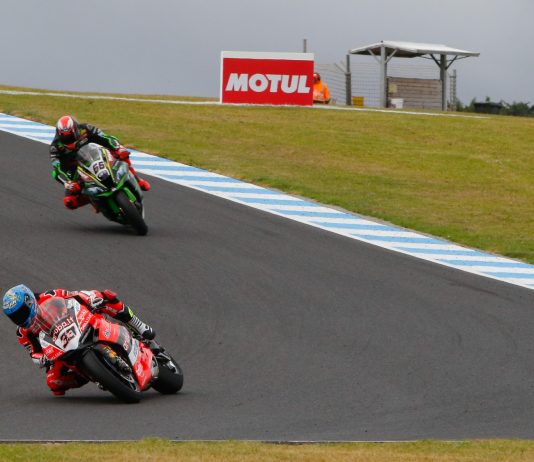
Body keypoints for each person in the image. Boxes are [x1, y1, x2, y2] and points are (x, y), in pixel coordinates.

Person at [2, 284, 156, 396]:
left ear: (29, 302)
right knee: (54, 383)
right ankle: (89, 373)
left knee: (105, 297)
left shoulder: (50, 295)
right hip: (61, 348)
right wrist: (42, 359)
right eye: (15, 317)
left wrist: (90, 299)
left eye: (21, 312)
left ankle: (138, 325)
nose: (20, 318)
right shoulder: (23, 332)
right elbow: (33, 353)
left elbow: (75, 296)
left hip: (82, 323)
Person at [50, 115, 151, 210]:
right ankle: (92, 199)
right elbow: (57, 168)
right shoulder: (55, 147)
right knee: (69, 202)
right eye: (65, 138)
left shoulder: (86, 128)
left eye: (71, 136)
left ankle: (137, 179)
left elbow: (105, 137)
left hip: (97, 154)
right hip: (76, 168)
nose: (69, 140)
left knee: (122, 154)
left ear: (75, 130)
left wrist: (118, 148)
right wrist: (68, 183)